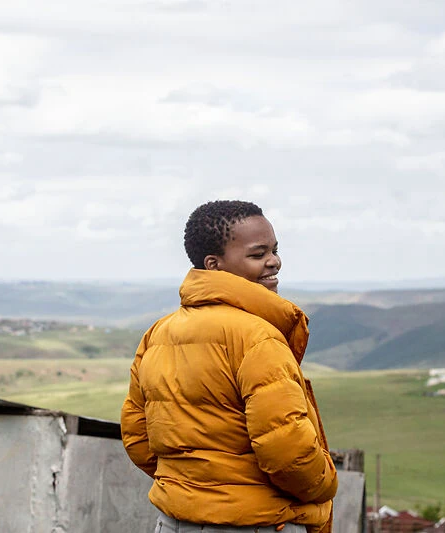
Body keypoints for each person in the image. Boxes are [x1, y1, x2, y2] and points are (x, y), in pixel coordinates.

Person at [121, 200, 338, 533]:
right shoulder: (259, 338)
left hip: (173, 523)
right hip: (257, 523)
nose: (274, 262)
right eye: (257, 254)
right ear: (214, 264)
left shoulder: (157, 334)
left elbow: (137, 435)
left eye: (275, 250)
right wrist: (326, 487)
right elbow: (287, 453)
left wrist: (193, 487)